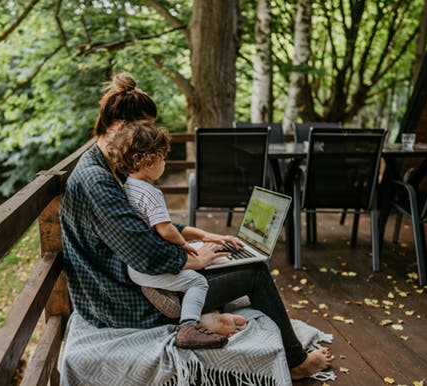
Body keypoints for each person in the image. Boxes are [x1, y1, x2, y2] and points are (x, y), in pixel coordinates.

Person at [59, 72, 333, 379]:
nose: (148, 139)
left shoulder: (108, 166)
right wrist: (195, 258)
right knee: (254, 273)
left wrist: (203, 237)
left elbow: (145, 224)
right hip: (120, 300)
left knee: (220, 258)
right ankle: (295, 363)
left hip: (125, 285)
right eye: (146, 129)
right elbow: (146, 256)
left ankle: (209, 315)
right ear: (121, 127)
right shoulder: (97, 180)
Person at [107, 119, 243, 349]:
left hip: (134, 266)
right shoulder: (151, 194)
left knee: (189, 276)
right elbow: (166, 230)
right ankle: (188, 328)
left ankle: (162, 292)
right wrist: (184, 245)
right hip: (147, 269)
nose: (165, 163)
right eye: (163, 158)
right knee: (198, 282)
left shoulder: (127, 186)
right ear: (148, 161)